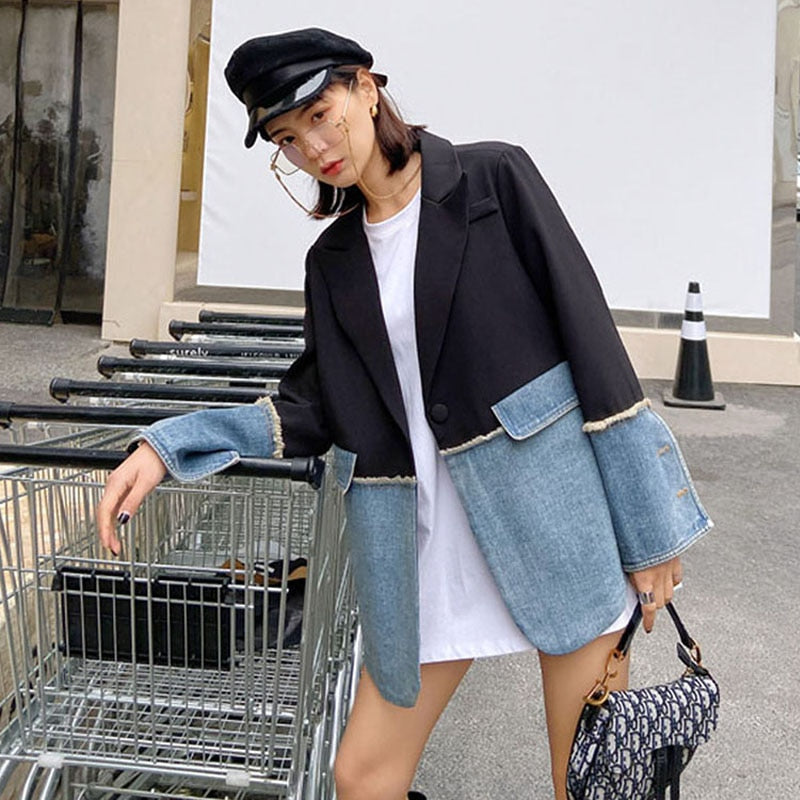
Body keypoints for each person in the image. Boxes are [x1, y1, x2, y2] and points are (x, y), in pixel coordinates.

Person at [96, 28, 712, 800]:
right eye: (287, 139)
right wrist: (168, 446)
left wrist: (652, 531)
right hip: (423, 543)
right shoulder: (334, 262)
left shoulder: (493, 180)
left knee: (587, 780)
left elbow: (594, 347)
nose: (312, 147)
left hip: (554, 522)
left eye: (319, 114)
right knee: (362, 775)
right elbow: (312, 406)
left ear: (367, 88)